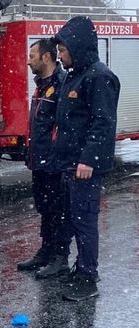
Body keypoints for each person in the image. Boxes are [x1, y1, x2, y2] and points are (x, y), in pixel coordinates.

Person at [52, 17, 120, 301]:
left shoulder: (98, 76)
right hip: (69, 163)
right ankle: (80, 268)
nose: (59, 54)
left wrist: (88, 159)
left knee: (84, 221)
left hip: (84, 167)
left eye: (63, 49)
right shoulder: (74, 74)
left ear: (77, 47)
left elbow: (103, 123)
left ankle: (88, 276)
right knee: (71, 218)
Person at [17, 38, 69, 278]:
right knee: (45, 209)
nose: (28, 61)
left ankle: (60, 258)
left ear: (46, 57)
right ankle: (46, 251)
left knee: (58, 210)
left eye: (31, 56)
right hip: (39, 162)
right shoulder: (41, 85)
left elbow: (64, 126)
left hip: (55, 164)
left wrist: (57, 156)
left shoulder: (61, 84)